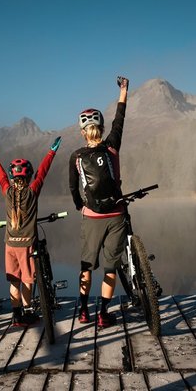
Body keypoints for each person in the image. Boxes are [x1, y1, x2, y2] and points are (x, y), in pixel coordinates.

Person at [0, 137, 62, 326]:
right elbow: (43, 172)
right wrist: (51, 152)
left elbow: (0, 175)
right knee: (27, 280)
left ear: (12, 177)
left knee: (14, 281)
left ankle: (16, 315)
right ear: (28, 177)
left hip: (9, 244)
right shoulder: (33, 192)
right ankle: (27, 312)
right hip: (26, 245)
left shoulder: (7, 192)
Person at [69, 76, 129, 328]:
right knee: (110, 267)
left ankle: (83, 311)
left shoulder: (77, 156)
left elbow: (73, 187)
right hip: (116, 214)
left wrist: (80, 207)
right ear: (103, 129)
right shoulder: (112, 146)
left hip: (92, 216)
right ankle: (104, 314)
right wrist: (124, 91)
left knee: (86, 266)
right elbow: (120, 118)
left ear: (83, 132)